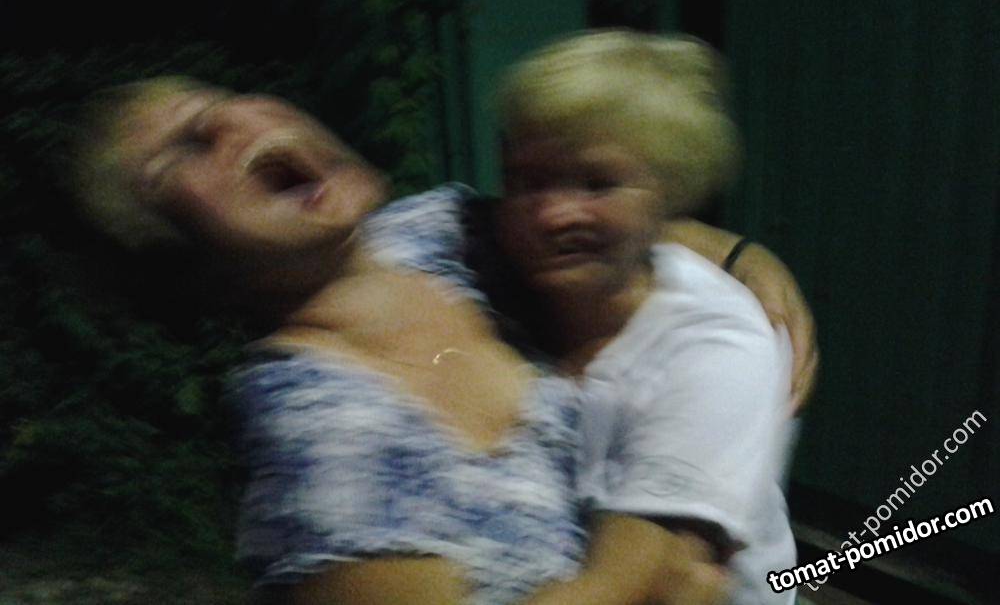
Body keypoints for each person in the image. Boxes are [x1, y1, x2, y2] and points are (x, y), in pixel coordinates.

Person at [73, 71, 813, 603]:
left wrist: (736, 255)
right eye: (181, 153)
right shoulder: (321, 447)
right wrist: (650, 570)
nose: (228, 124)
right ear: (183, 271)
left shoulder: (435, 233)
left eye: (224, 100)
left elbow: (591, 221)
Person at [492, 30, 797, 603]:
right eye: (528, 182)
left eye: (597, 183)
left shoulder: (718, 349)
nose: (553, 214)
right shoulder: (487, 273)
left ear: (668, 193)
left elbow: (624, 588)